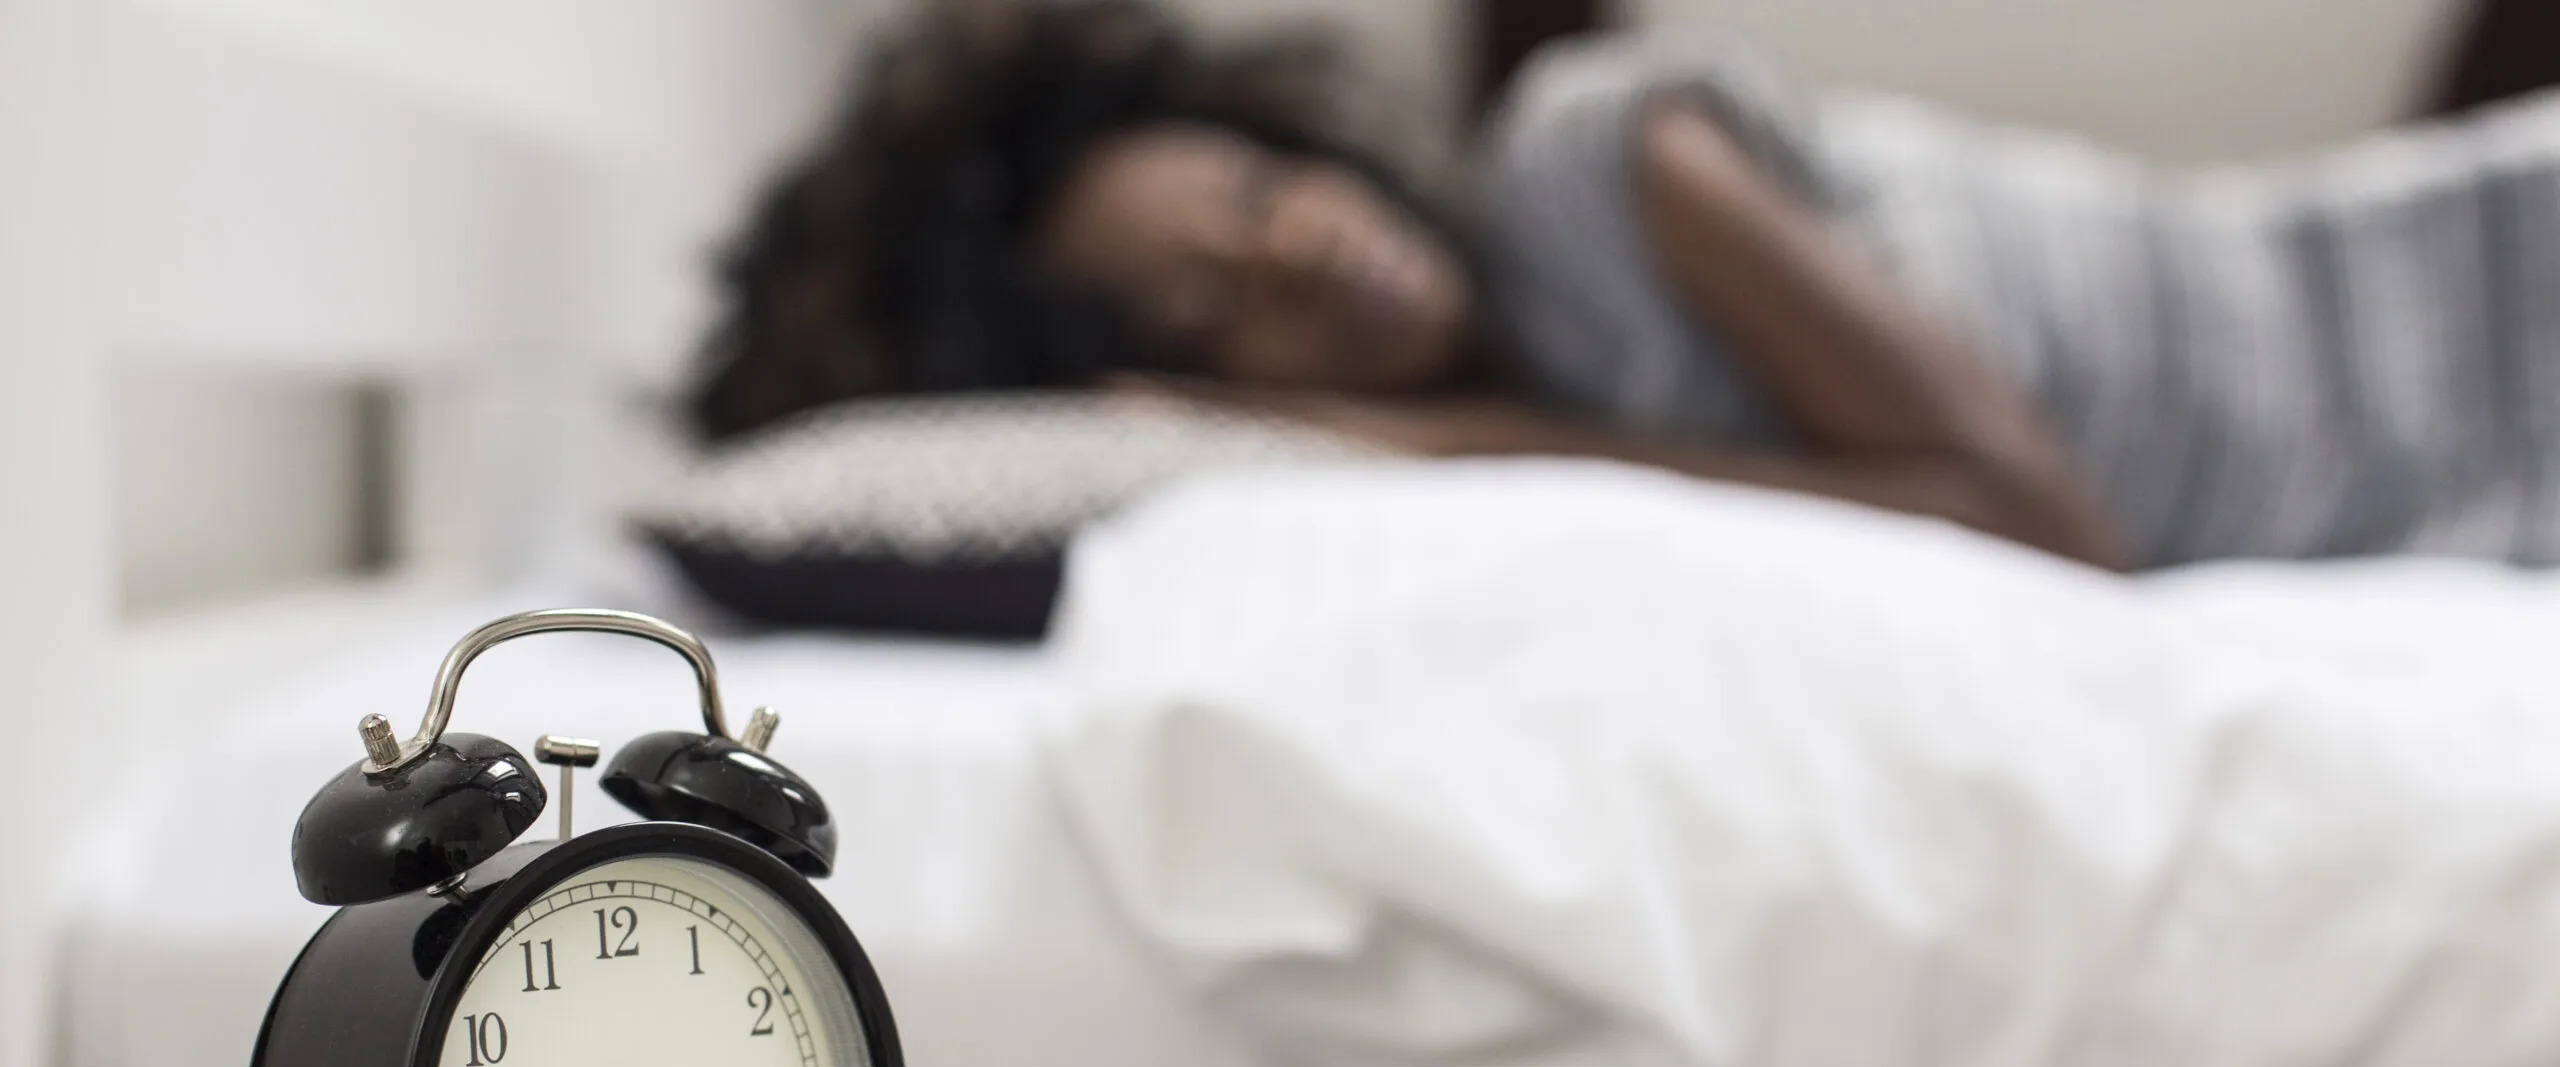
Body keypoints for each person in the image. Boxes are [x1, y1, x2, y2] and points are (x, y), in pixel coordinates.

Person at [685, 0, 2560, 571]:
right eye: (1210, 308)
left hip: (2480, 301)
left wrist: (1427, 438)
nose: (1304, 247)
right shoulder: (1499, 488)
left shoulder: (1596, 158)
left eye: (1263, 190)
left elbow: (2034, 520)